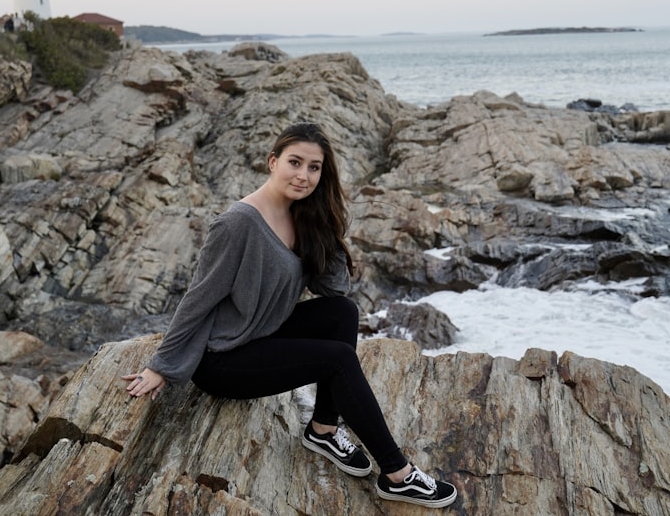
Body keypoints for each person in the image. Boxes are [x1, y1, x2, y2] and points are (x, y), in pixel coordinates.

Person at [121, 122, 457, 508]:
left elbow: (335, 291)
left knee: (342, 313)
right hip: (223, 359)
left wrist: (325, 225)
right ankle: (397, 474)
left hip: (264, 332)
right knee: (338, 359)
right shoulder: (237, 224)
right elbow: (198, 298)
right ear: (272, 162)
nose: (304, 175)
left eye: (314, 168)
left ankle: (324, 429)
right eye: (294, 163)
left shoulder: (303, 214)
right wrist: (161, 365)